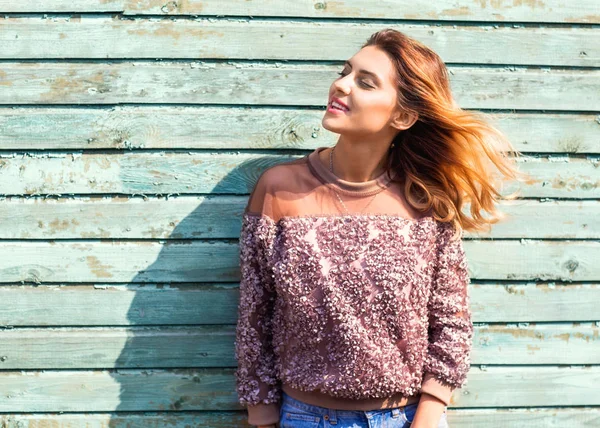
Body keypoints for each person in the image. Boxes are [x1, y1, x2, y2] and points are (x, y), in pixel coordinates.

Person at [234, 29, 529, 428]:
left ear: (403, 116)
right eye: (345, 71)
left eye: (364, 81)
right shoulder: (279, 190)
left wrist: (429, 413)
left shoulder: (426, 201)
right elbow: (255, 312)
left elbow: (452, 322)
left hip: (407, 418)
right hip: (305, 417)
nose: (340, 84)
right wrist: (261, 413)